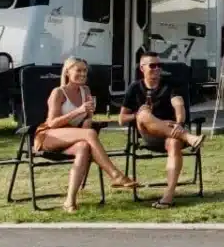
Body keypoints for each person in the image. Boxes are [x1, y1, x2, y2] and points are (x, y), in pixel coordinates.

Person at [33, 56, 141, 212]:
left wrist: (87, 118)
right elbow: (52, 123)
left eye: (85, 71)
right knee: (89, 135)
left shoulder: (86, 91)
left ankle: (69, 201)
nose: (83, 74)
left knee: (84, 146)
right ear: (68, 72)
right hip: (49, 136)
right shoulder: (58, 92)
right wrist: (79, 111)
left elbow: (87, 121)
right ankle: (115, 174)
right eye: (79, 70)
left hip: (73, 137)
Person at [119, 51, 205, 209]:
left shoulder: (171, 84)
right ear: (142, 68)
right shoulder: (134, 87)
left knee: (174, 143)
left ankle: (169, 196)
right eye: (152, 66)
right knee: (144, 113)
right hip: (148, 134)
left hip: (172, 132)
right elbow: (122, 118)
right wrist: (138, 115)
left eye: (159, 65)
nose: (157, 69)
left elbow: (179, 105)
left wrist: (179, 122)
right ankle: (189, 137)